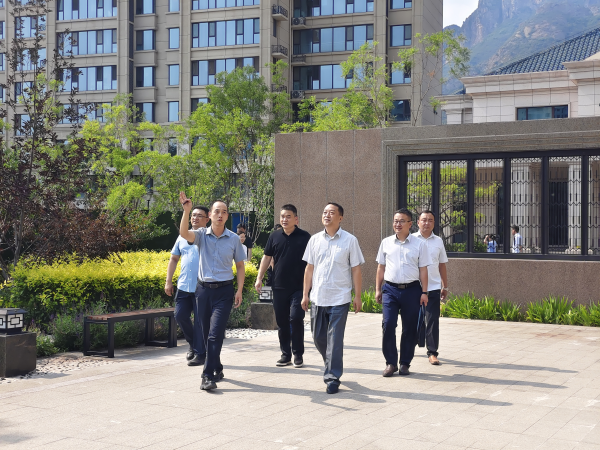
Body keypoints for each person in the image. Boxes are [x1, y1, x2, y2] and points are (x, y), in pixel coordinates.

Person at [178, 192, 246, 391]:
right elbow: (184, 234)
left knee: (215, 334)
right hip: (203, 291)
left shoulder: (233, 239)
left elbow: (240, 266)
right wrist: (186, 211)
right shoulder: (201, 235)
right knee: (207, 333)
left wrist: (239, 290)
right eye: (217, 211)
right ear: (210, 215)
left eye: (224, 212)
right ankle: (216, 366)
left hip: (224, 292)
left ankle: (207, 376)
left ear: (227, 216)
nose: (220, 215)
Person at [301, 203, 364, 394]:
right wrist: (305, 294)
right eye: (324, 212)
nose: (327, 215)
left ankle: (332, 377)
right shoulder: (314, 240)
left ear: (340, 218)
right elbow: (309, 269)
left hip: (340, 298)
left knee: (335, 339)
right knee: (318, 338)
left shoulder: (350, 240)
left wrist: (358, 296)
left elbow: (356, 269)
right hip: (318, 297)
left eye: (331, 213)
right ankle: (331, 361)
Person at [375, 208, 430, 377]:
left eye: (401, 221)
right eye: (395, 221)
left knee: (410, 327)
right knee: (388, 324)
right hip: (390, 290)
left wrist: (424, 292)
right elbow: (381, 267)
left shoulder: (419, 244)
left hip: (412, 290)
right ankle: (391, 363)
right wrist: (378, 289)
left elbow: (423, 270)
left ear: (410, 224)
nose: (397, 224)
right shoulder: (386, 242)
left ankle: (405, 363)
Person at [255, 204, 311, 368]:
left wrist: (309, 287)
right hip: (279, 286)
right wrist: (259, 278)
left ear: (296, 219)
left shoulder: (305, 237)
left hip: (299, 287)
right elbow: (266, 257)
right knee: (282, 322)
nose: (284, 219)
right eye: (282, 217)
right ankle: (285, 354)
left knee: (296, 318)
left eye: (288, 216)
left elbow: (312, 262)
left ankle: (298, 354)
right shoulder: (274, 236)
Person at [165, 206, 209, 366]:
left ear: (207, 219)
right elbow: (174, 259)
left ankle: (200, 354)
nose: (195, 218)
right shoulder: (182, 237)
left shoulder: (208, 237)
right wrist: (168, 281)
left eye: (199, 216)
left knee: (199, 321)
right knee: (180, 315)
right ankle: (193, 344)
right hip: (184, 285)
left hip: (201, 287)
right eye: (193, 215)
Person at [413, 211, 448, 366]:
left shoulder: (438, 241)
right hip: (413, 286)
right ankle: (409, 346)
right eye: (424, 220)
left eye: (430, 220)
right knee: (411, 319)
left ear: (434, 223)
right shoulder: (411, 239)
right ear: (418, 222)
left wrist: (445, 285)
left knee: (433, 319)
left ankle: (432, 352)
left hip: (433, 286)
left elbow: (442, 265)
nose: (426, 223)